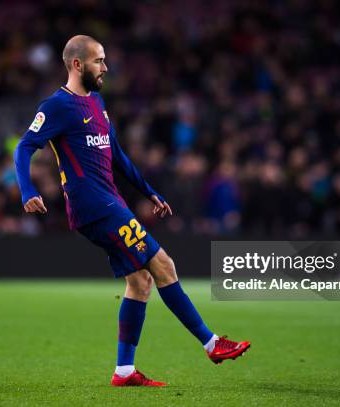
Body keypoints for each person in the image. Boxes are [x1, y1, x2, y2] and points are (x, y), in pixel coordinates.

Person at [14, 35, 250, 387]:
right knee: (163, 264)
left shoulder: (96, 101)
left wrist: (149, 191)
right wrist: (28, 190)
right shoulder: (56, 106)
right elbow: (23, 147)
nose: (105, 68)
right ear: (77, 65)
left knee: (140, 281)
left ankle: (124, 370)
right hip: (92, 204)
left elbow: (118, 157)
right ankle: (212, 343)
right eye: (98, 61)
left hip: (110, 201)